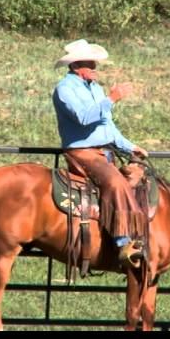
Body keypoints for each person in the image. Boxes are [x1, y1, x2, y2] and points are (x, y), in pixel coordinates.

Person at [52, 39, 148, 268]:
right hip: (82, 152)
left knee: (136, 178)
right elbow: (84, 117)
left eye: (94, 63)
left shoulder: (94, 88)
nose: (95, 68)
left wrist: (129, 146)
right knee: (115, 182)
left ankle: (137, 233)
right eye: (90, 64)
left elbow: (107, 125)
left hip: (104, 151)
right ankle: (123, 241)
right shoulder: (65, 89)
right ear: (76, 66)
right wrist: (112, 99)